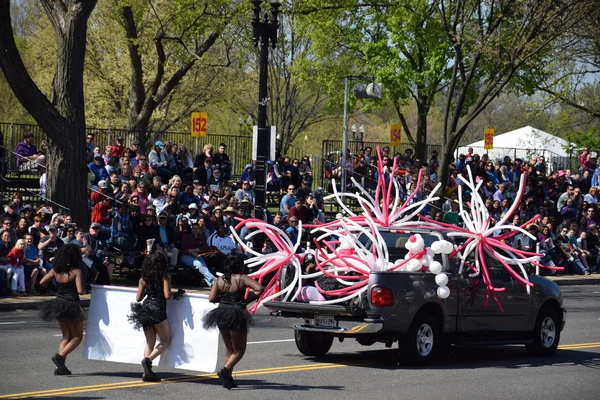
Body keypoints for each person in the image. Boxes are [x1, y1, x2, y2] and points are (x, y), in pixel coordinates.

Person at [203, 253, 264, 389]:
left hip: (221, 313)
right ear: (240, 265)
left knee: (229, 348)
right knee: (239, 349)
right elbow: (260, 288)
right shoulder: (242, 278)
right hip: (236, 313)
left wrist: (224, 299)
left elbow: (212, 298)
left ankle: (227, 380)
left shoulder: (219, 280)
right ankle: (225, 370)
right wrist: (247, 300)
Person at [38, 244, 86, 375]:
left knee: (66, 336)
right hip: (71, 304)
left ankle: (61, 368)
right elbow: (81, 291)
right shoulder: (76, 271)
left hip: (58, 302)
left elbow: (42, 282)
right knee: (77, 337)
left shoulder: (56, 270)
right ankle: (60, 357)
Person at [128, 252, 173, 382]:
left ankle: (147, 372)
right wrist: (174, 293)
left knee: (150, 341)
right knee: (165, 341)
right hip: (158, 309)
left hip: (145, 308)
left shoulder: (143, 278)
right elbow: (166, 295)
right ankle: (148, 361)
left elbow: (138, 298)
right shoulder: (164, 276)